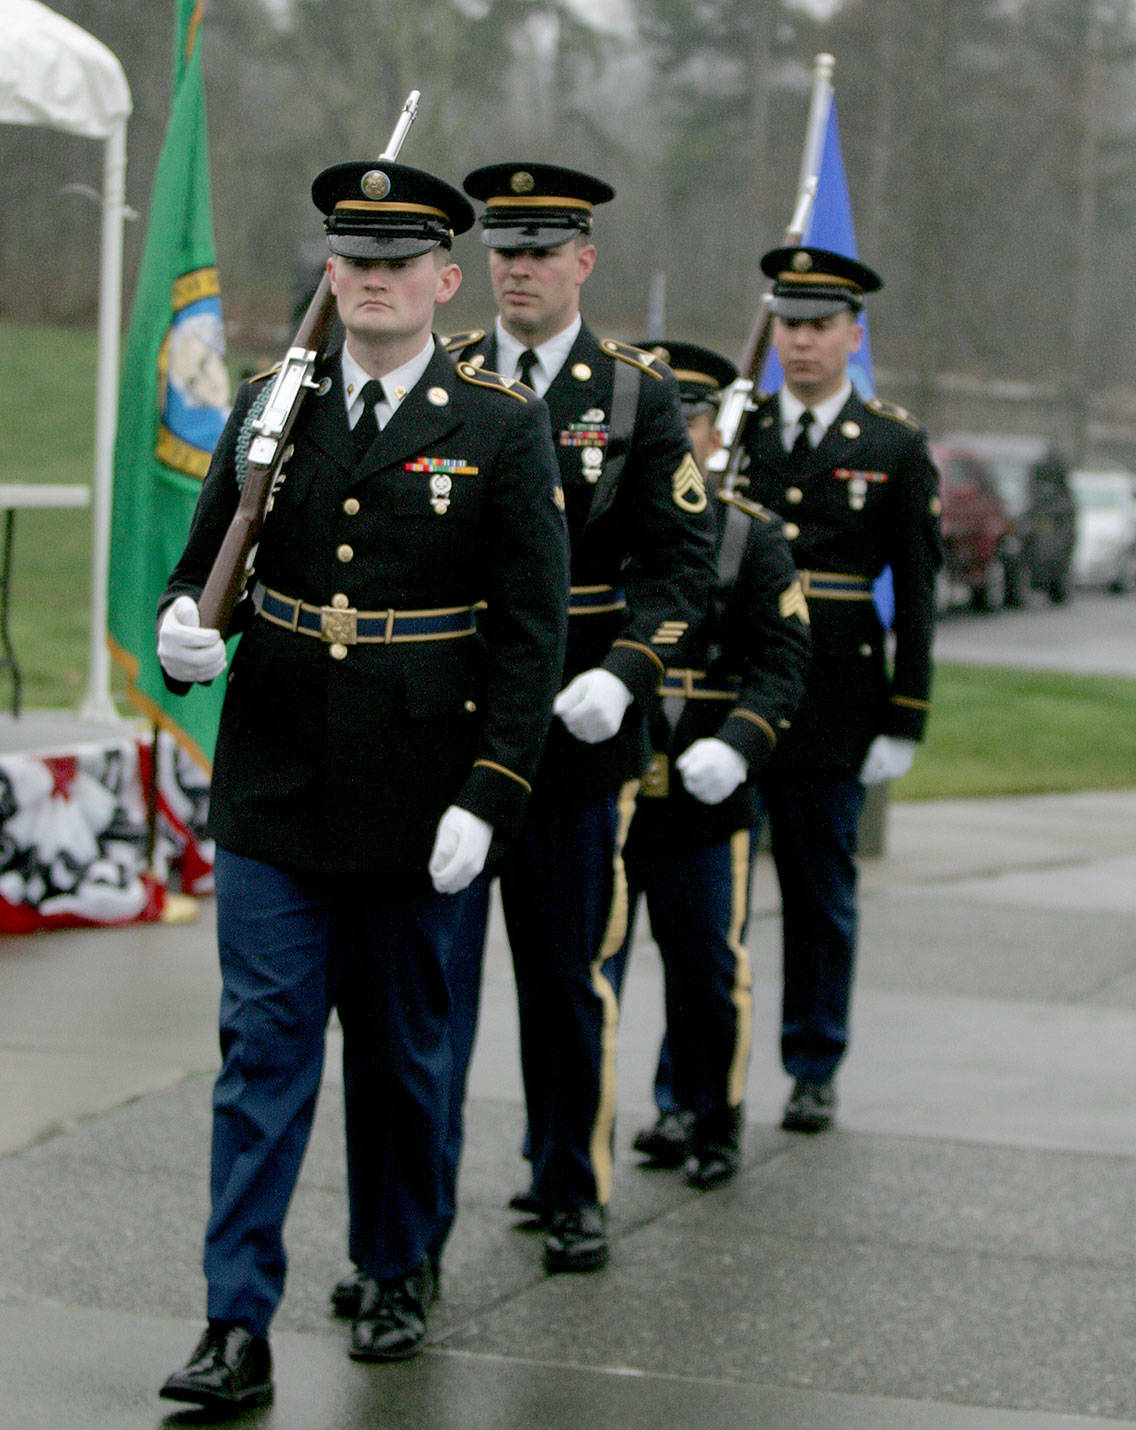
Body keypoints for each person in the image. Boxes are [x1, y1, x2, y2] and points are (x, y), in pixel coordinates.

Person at [155, 159, 569, 1412]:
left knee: (400, 1056)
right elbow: (200, 572)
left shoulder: (495, 423)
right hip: (278, 782)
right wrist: (187, 632)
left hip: (419, 787)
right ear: (329, 274)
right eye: (352, 261)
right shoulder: (270, 407)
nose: (373, 280)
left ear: (446, 280)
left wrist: (489, 790)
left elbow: (528, 631)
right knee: (262, 1048)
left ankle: (395, 1266)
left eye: (398, 264)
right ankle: (236, 1319)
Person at [440, 163, 716, 1274]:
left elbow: (680, 564)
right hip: (457, 719)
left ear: (583, 262)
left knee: (564, 975)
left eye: (541, 249)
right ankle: (417, 1212)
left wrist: (630, 671)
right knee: (434, 984)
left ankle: (569, 1180)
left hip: (576, 726)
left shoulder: (636, 395)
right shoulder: (449, 372)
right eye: (504, 249)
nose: (518, 268)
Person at [737, 246, 941, 1134]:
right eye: (789, 323)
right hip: (735, 692)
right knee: (713, 898)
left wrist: (906, 712)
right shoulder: (737, 432)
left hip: (834, 699)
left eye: (821, 326)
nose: (803, 342)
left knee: (821, 893)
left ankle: (814, 1061)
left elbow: (922, 593)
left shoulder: (894, 445)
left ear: (854, 335)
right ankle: (700, 1077)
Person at [615, 341, 811, 1185]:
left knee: (705, 968)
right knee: (588, 978)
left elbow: (783, 659)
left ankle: (711, 1114)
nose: (678, 437)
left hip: (704, 790)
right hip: (615, 781)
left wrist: (740, 745)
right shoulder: (603, 527)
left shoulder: (752, 536)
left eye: (689, 420)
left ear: (713, 431)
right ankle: (566, 1155)